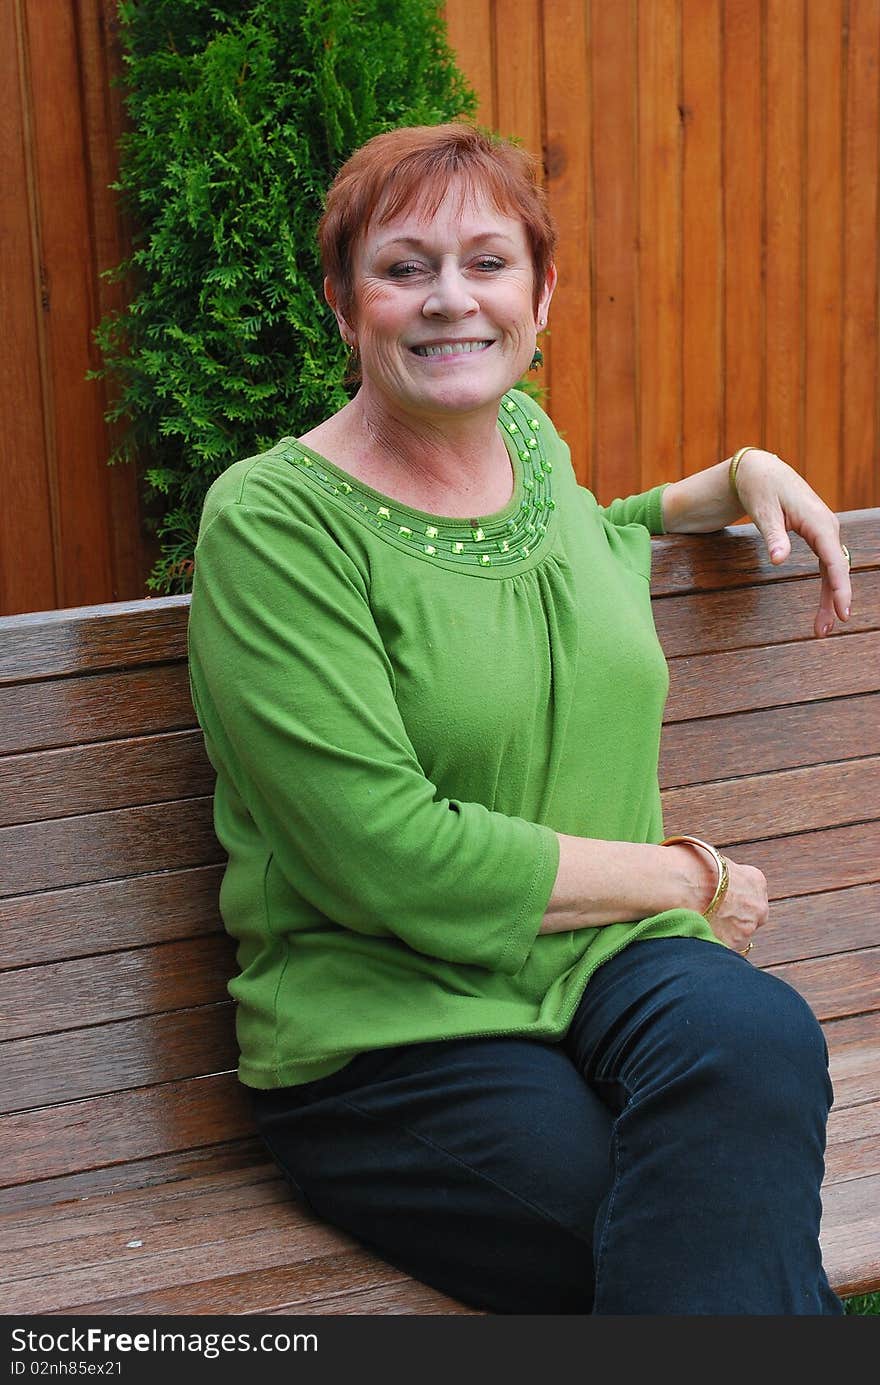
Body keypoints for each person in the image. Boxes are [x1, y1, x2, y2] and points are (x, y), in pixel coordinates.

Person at [187, 123, 851, 1315]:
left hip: (599, 967)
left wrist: (726, 476)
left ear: (540, 293)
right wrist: (683, 875)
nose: (452, 300)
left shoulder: (529, 449)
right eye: (405, 267)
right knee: (673, 1229)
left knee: (758, 1039)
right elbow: (388, 853)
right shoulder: (277, 524)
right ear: (344, 302)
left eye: (487, 263)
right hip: (393, 1027)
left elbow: (575, 555)